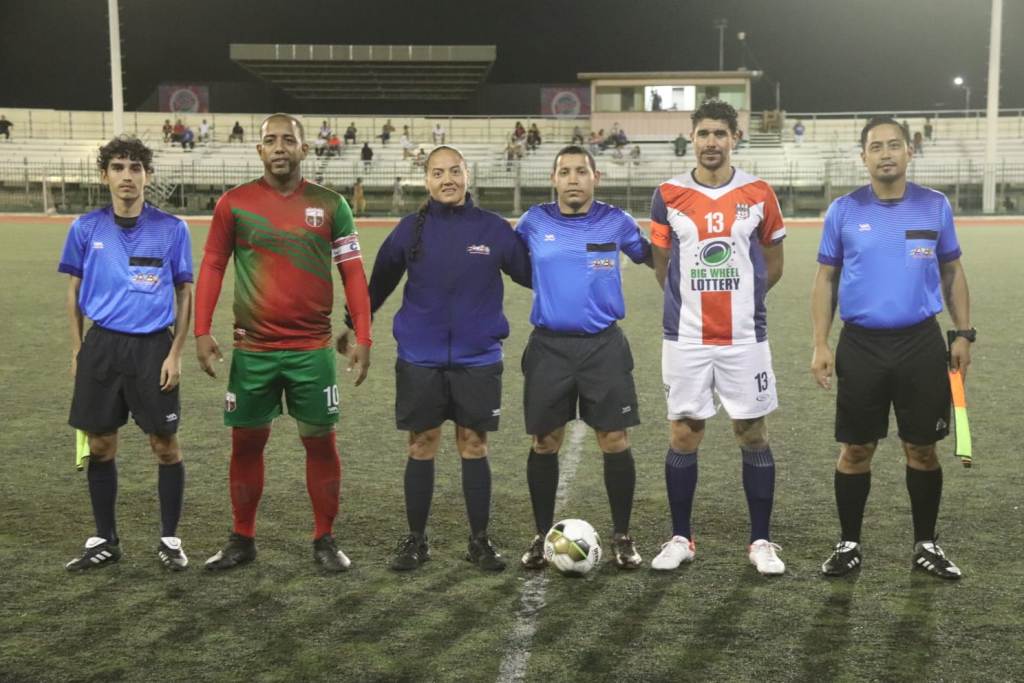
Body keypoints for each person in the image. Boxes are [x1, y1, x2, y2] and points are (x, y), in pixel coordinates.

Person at [195, 113, 372, 573]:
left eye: (288, 140)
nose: (279, 147)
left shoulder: (331, 205)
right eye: (270, 140)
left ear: (303, 149)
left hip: (311, 350)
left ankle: (325, 539)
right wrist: (201, 330)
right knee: (246, 444)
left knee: (320, 443)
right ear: (259, 150)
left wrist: (364, 335)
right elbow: (212, 265)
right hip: (253, 350)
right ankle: (242, 538)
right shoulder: (234, 204)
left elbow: (353, 272)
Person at [811, 116, 973, 581]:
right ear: (863, 156)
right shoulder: (843, 210)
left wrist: (964, 333)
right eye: (876, 146)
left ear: (909, 152)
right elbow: (826, 279)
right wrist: (820, 343)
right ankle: (848, 544)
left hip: (920, 344)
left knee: (921, 448)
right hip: (861, 345)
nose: (886, 153)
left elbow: (952, 271)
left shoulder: (934, 205)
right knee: (856, 448)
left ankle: (926, 544)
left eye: (894, 145)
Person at [363, 146, 532, 572]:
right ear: (427, 181)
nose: (447, 180)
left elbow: (533, 275)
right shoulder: (410, 229)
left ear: (467, 174)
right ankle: (416, 540)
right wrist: (355, 325)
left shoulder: (493, 229)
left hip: (479, 358)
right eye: (438, 173)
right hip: (420, 358)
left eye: (454, 171)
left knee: (474, 444)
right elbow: (379, 283)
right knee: (421, 444)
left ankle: (479, 540)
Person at [649, 99, 787, 576]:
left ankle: (761, 541)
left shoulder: (759, 192)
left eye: (720, 134)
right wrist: (688, 304)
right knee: (684, 433)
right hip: (685, 338)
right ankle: (680, 538)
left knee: (752, 432)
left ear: (735, 138)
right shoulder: (668, 194)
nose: (711, 142)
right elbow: (662, 265)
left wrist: (743, 301)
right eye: (704, 133)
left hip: (744, 338)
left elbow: (773, 264)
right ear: (692, 137)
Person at [58, 135, 194, 571]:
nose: (127, 176)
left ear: (147, 176)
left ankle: (169, 539)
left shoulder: (172, 228)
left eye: (135, 168)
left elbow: (184, 292)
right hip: (102, 346)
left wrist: (175, 353)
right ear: (105, 176)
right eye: (118, 167)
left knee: (165, 445)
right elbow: (74, 291)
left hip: (153, 346)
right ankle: (105, 539)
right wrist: (78, 349)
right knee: (100, 445)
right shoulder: (85, 228)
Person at [516, 145, 652, 571]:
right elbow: (510, 262)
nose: (573, 179)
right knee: (545, 442)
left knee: (614, 440)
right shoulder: (533, 221)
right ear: (553, 179)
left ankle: (622, 536)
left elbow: (653, 256)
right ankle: (541, 535)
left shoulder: (617, 221)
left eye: (581, 171)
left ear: (596, 177)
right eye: (565, 172)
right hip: (549, 348)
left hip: (603, 347)